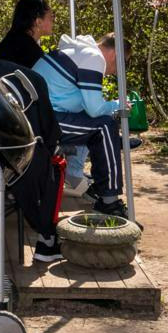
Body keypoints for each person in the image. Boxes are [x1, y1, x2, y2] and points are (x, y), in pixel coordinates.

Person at [36, 33, 129, 218]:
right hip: (44, 120)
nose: (117, 71)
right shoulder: (93, 57)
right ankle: (108, 201)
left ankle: (99, 188)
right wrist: (118, 105)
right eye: (124, 63)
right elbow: (95, 109)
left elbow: (84, 105)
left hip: (39, 114)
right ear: (115, 54)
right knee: (105, 126)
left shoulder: (79, 52)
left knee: (100, 125)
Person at [0, 0, 55, 68]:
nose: (53, 20)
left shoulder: (8, 43)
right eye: (51, 17)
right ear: (38, 22)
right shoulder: (31, 52)